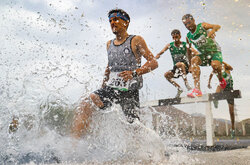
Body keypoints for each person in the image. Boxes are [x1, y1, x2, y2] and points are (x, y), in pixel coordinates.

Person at [71, 9, 158, 139]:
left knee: (134, 127)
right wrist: (103, 86)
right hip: (111, 89)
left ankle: (149, 148)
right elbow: (109, 67)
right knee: (87, 101)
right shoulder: (109, 44)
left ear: (126, 23)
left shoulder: (135, 40)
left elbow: (153, 62)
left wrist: (134, 73)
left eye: (116, 20)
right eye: (110, 20)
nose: (113, 23)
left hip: (129, 91)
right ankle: (75, 143)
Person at [182, 14, 227, 98]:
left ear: (193, 20)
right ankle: (197, 90)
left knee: (215, 65)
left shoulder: (202, 26)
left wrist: (212, 31)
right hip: (204, 56)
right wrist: (190, 65)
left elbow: (217, 26)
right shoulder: (188, 37)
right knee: (194, 60)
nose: (188, 26)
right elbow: (188, 51)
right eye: (185, 24)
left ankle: (221, 80)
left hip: (215, 52)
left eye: (189, 23)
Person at [155, 29, 198, 98]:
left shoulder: (184, 44)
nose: (175, 39)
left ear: (180, 36)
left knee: (180, 64)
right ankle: (179, 89)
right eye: (173, 38)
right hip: (177, 69)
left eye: (176, 37)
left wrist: (191, 65)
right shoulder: (170, 45)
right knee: (166, 75)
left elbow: (195, 52)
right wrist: (157, 55)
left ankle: (186, 84)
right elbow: (161, 51)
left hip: (185, 67)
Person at [208, 61, 235, 138]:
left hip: (230, 89)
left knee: (231, 111)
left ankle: (233, 128)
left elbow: (231, 68)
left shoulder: (226, 67)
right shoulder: (215, 70)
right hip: (223, 87)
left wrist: (221, 61)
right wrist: (209, 83)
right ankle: (215, 99)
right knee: (219, 86)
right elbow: (210, 75)